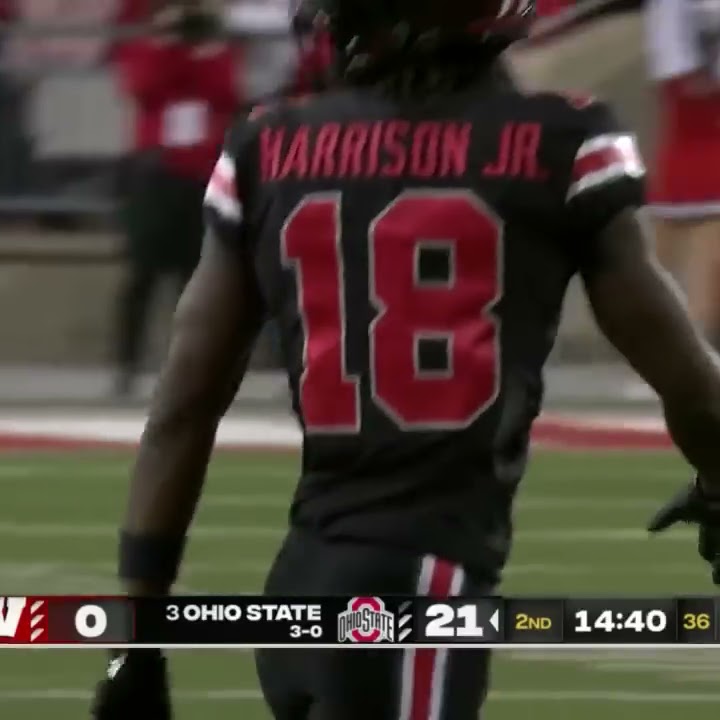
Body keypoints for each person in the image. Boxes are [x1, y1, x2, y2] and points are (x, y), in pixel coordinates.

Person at [93, 0, 720, 718]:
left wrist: (133, 642)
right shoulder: (559, 140)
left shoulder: (269, 142)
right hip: (416, 594)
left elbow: (181, 406)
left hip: (301, 587)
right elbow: (692, 386)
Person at [113, 0, 239, 396]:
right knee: (142, 275)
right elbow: (143, 86)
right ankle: (127, 365)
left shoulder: (215, 49)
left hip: (199, 172)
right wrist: (167, 41)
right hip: (156, 170)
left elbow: (226, 93)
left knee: (194, 276)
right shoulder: (147, 46)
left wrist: (204, 49)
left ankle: (191, 369)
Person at [646, 0, 720, 345]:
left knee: (693, 275)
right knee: (667, 270)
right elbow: (683, 86)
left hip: (697, 147)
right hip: (693, 145)